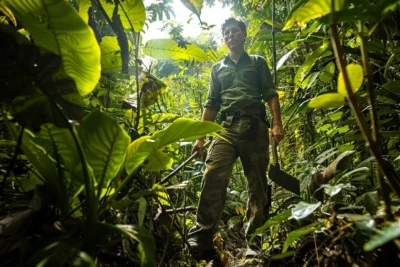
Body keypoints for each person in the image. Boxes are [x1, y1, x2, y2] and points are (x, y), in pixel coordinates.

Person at [187, 17, 284, 264]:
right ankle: (202, 237)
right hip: (226, 128)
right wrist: (199, 137)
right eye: (226, 33)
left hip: (254, 126)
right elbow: (211, 104)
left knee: (257, 185)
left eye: (234, 31)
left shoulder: (258, 63)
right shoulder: (217, 69)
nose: (230, 36)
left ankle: (255, 243)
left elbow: (270, 94)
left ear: (243, 34)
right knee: (213, 174)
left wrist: (276, 123)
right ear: (225, 39)